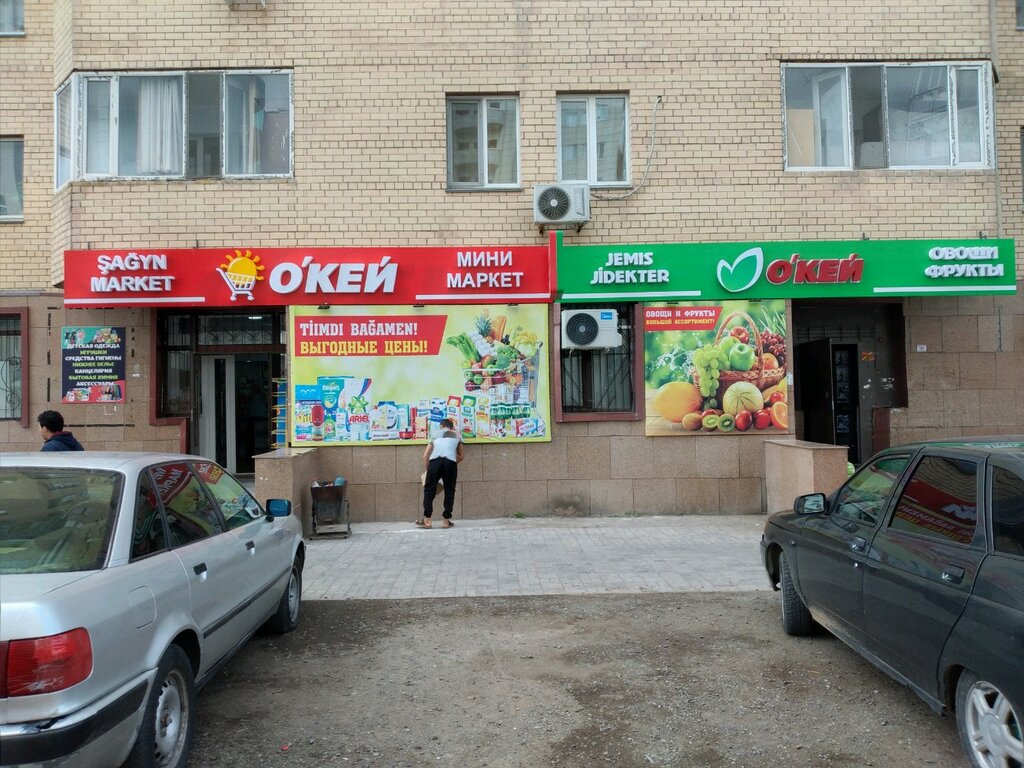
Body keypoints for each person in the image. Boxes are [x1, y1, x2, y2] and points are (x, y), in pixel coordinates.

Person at [417, 417, 463, 529]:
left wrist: (429, 470)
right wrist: (452, 463)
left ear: (441, 426)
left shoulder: (435, 434)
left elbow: (425, 455)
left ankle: (427, 520)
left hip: (435, 463)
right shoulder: (458, 435)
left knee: (429, 491)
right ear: (452, 427)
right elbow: (461, 456)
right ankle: (446, 521)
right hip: (450, 463)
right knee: (449, 491)